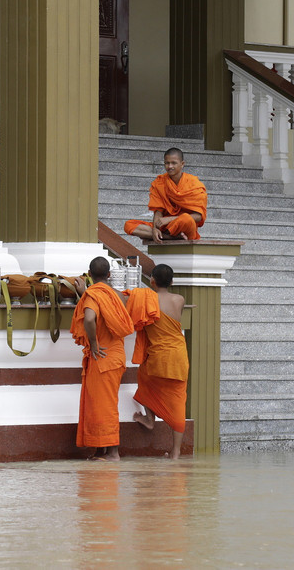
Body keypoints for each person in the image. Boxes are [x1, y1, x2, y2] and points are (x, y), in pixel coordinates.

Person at [70, 256, 134, 461]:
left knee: (104, 406)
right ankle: (100, 450)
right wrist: (86, 295)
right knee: (99, 404)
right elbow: (107, 310)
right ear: (109, 275)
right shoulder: (117, 295)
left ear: (90, 274)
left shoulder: (93, 296)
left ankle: (113, 452)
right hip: (116, 355)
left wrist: (93, 342)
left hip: (102, 356)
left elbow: (90, 318)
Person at [126, 264, 189, 459]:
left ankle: (150, 418)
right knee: (178, 399)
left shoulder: (145, 300)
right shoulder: (179, 299)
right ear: (172, 282)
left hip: (158, 356)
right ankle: (176, 451)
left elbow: (128, 303)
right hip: (178, 355)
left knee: (144, 379)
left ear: (152, 281)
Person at [123, 148, 207, 242]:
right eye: (167, 163)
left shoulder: (194, 184)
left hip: (184, 226)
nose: (170, 166)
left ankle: (164, 236)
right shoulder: (160, 182)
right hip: (166, 226)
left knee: (186, 218)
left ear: (182, 164)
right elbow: (158, 211)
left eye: (173, 163)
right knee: (128, 225)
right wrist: (155, 229)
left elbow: (198, 216)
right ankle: (170, 237)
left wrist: (170, 219)